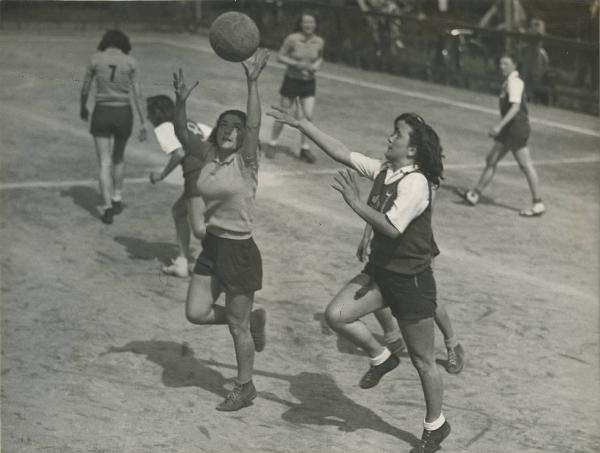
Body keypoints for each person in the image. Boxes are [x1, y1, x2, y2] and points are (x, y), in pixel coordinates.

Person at [267, 107, 451, 452]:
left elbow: (392, 228)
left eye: (397, 134)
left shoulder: (415, 182)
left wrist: (354, 201)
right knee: (336, 315)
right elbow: (340, 151)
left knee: (424, 361)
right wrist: (303, 124)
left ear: (412, 149)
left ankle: (435, 425)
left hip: (410, 281)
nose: (389, 138)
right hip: (381, 274)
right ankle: (381, 357)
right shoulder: (386, 170)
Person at [172, 48, 270, 412]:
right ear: (218, 131)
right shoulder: (210, 153)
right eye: (225, 125)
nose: (231, 130)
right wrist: (180, 101)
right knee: (196, 312)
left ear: (244, 136)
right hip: (213, 245)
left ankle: (245, 387)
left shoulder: (246, 161)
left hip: (239, 251)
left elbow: (256, 124)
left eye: (237, 128)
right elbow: (182, 132)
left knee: (236, 328)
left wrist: (252, 81)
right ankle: (251, 318)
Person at [356, 224, 464, 389]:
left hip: (415, 241)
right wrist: (366, 236)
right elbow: (376, 204)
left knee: (425, 299)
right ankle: (393, 340)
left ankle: (453, 344)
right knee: (375, 287)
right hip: (388, 243)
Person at [457, 54, 545, 217]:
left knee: (525, 166)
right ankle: (475, 194)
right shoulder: (509, 81)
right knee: (491, 159)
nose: (501, 67)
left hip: (516, 129)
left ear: (514, 65)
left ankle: (538, 203)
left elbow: (515, 108)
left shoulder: (515, 83)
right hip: (510, 130)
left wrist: (499, 126)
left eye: (505, 64)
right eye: (500, 63)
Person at [80, 29, 147, 224]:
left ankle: (107, 206)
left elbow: (85, 88)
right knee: (119, 158)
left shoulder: (95, 59)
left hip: (101, 112)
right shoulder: (130, 62)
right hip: (123, 113)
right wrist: (143, 122)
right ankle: (117, 197)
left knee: (104, 162)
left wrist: (83, 108)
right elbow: (138, 94)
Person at [146, 94, 212, 277]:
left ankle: (230, 247)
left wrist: (161, 175)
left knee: (199, 229)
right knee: (178, 212)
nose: (148, 117)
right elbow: (213, 137)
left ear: (158, 113)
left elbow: (179, 153)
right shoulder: (190, 122)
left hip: (196, 175)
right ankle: (182, 262)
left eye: (149, 113)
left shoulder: (164, 128)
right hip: (212, 171)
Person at [268, 11, 325, 164]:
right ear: (300, 23)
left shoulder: (319, 41)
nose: (308, 25)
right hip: (292, 81)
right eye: (306, 22)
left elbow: (320, 58)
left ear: (316, 24)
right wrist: (296, 64)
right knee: (283, 114)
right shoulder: (292, 39)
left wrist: (315, 66)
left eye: (311, 22)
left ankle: (304, 148)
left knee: (307, 116)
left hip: (309, 83)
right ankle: (272, 143)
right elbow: (280, 56)